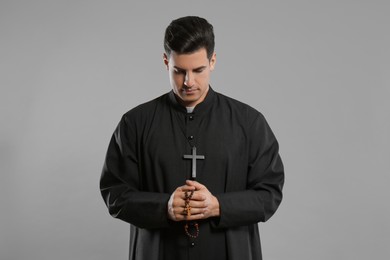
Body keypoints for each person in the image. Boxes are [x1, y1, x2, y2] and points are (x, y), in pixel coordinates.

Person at [100, 16, 284, 260]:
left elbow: (270, 193)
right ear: (166, 62)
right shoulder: (135, 123)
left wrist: (217, 205)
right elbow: (115, 194)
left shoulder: (249, 122)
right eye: (179, 71)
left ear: (213, 61)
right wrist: (164, 207)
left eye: (198, 70)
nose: (189, 82)